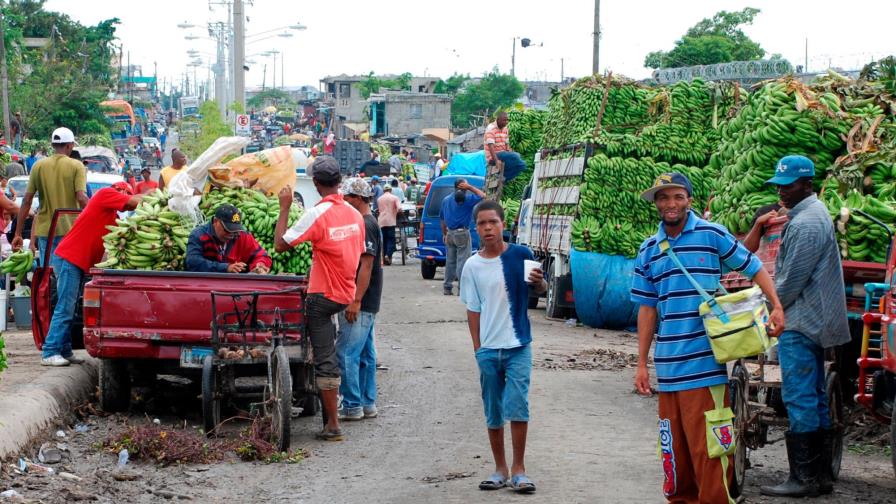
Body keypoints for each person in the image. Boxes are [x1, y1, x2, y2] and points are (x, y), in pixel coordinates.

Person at [631, 172, 784, 503]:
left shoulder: (711, 234)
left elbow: (753, 265)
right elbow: (647, 310)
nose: (670, 204)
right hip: (667, 370)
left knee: (711, 453)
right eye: (663, 197)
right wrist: (641, 364)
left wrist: (776, 305)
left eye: (677, 196)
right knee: (675, 457)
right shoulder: (648, 250)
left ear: (689, 200)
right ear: (656, 204)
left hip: (704, 368)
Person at [760, 156, 849, 498]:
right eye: (779, 185)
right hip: (815, 318)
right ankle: (820, 476)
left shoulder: (806, 223)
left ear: (807, 184)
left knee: (799, 396)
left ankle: (804, 478)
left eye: (789, 185)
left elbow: (791, 281)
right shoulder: (813, 213)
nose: (782, 191)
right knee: (814, 395)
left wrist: (768, 307)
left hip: (802, 320)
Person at [274, 155, 365, 441]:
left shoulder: (317, 214)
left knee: (325, 359)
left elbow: (280, 245)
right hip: (345, 292)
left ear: (315, 183)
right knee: (330, 353)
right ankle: (331, 410)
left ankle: (333, 425)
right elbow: (358, 254)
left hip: (322, 296)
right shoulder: (355, 214)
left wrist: (284, 208)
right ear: (340, 182)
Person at [461, 200, 545, 494]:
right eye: (482, 223)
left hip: (518, 345)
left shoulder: (521, 255)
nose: (488, 228)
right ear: (476, 228)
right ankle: (500, 469)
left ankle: (519, 469)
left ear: (503, 224)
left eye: (492, 222)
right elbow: (473, 309)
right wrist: (478, 348)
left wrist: (540, 283)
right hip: (488, 349)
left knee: (518, 406)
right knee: (493, 409)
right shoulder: (472, 266)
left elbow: (539, 291)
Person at [40, 182, 142, 366]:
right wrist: (157, 197)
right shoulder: (105, 193)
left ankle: (64, 350)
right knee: (65, 307)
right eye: (124, 193)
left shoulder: (113, 218)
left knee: (72, 309)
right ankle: (50, 351)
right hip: (69, 259)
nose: (124, 200)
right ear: (118, 192)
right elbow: (133, 202)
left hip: (78, 263)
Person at [336, 177, 383, 421]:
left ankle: (352, 405)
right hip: (368, 299)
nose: (344, 202)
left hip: (361, 299)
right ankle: (367, 403)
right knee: (365, 353)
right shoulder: (368, 221)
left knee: (346, 353)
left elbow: (366, 265)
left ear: (356, 199)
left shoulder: (364, 224)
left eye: (347, 198)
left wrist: (355, 299)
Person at [12, 127, 88, 266]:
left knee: (48, 272)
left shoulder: (38, 166)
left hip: (46, 231)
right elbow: (81, 197)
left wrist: (18, 233)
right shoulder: (77, 166)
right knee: (67, 272)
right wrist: (95, 215)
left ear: (53, 145)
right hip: (70, 230)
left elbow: (26, 201)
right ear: (69, 145)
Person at [185, 204, 272, 274]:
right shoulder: (199, 235)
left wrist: (260, 264)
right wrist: (225, 268)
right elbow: (192, 262)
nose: (231, 234)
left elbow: (262, 255)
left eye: (235, 230)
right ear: (215, 221)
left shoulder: (242, 235)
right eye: (228, 230)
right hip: (205, 285)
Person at [440, 178, 485, 295]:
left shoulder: (446, 200)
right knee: (463, 262)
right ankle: (462, 289)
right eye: (466, 185)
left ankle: (447, 287)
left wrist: (444, 234)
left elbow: (442, 220)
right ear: (463, 187)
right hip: (462, 233)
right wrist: (470, 187)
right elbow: (482, 195)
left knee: (450, 261)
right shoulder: (466, 199)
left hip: (450, 233)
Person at [484, 112, 527, 181]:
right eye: (504, 120)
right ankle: (500, 176)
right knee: (516, 155)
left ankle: (504, 178)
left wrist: (510, 152)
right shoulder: (491, 128)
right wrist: (496, 160)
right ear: (498, 120)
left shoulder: (505, 129)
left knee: (522, 165)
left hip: (504, 155)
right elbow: (490, 146)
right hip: (493, 157)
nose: (506, 122)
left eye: (507, 120)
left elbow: (507, 144)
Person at [377, 185, 401, 265]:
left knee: (384, 240)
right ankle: (388, 254)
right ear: (391, 190)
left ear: (383, 191)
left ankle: (384, 258)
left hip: (381, 221)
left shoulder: (379, 199)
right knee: (391, 239)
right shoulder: (395, 198)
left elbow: (378, 210)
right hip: (391, 221)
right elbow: (399, 208)